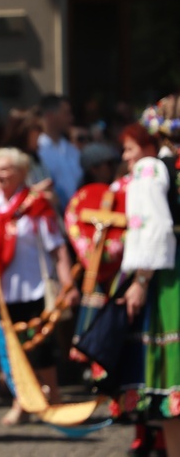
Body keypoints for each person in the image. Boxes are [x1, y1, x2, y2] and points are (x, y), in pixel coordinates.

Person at [0, 147, 75, 426]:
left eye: (6, 169)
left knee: (41, 346)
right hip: (1, 290)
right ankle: (20, 401)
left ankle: (53, 396)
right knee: (11, 350)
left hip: (33, 287)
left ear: (22, 171)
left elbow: (57, 248)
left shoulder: (37, 205)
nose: (0, 175)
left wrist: (68, 283)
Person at [111, 116, 180, 457]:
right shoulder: (169, 166)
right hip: (169, 270)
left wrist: (139, 280)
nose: (126, 156)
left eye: (129, 148)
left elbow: (155, 228)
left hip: (166, 276)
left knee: (170, 375)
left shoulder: (150, 168)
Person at [37, 94, 82, 212]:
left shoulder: (72, 150)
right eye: (66, 114)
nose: (71, 118)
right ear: (50, 116)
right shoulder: (38, 150)